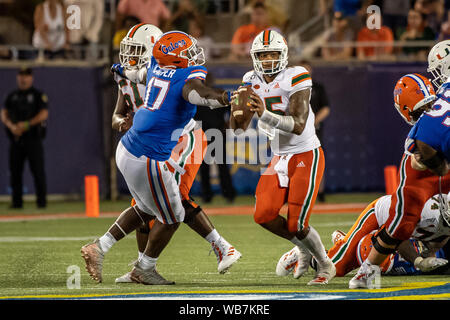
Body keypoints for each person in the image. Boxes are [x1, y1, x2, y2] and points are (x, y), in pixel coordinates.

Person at [81, 30, 237, 285]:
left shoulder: (153, 68)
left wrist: (122, 69)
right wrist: (226, 97)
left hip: (141, 147)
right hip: (151, 153)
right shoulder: (180, 76)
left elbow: (140, 74)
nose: (131, 56)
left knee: (148, 206)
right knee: (172, 212)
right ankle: (148, 267)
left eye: (136, 49)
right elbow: (200, 94)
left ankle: (105, 249)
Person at [231, 29, 336, 285]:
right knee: (263, 214)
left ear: (284, 55)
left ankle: (325, 264)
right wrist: (236, 108)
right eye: (262, 54)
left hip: (305, 153)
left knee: (297, 223)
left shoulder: (297, 75)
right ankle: (300, 248)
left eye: (272, 54)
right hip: (278, 157)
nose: (267, 59)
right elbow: (237, 128)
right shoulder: (249, 79)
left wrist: (264, 114)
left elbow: (298, 124)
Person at [348, 64, 450, 289]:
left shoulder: (442, 95)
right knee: (401, 224)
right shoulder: (424, 130)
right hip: (423, 166)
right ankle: (367, 269)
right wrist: (439, 166)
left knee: (403, 224)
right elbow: (419, 151)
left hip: (433, 157)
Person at [279, 192, 449, 279]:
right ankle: (307, 252)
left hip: (400, 231)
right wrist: (418, 261)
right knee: (335, 268)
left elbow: (437, 240)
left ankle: (344, 242)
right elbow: (394, 236)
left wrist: (429, 254)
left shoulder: (442, 221)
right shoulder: (426, 211)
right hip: (380, 215)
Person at [1, 67, 49, 209]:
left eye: (26, 75)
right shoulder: (12, 96)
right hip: (16, 139)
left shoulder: (38, 95)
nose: (23, 78)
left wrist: (26, 125)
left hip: (33, 139)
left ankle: (41, 202)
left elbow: (44, 114)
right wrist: (11, 126)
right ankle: (17, 202)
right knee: (15, 172)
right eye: (21, 75)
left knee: (38, 171)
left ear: (31, 78)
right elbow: (3, 113)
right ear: (18, 77)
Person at [194, 73, 236, 203]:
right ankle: (215, 195)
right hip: (206, 133)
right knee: (208, 166)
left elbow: (232, 106)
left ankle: (223, 194)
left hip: (214, 132)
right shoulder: (215, 93)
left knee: (218, 165)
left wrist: (229, 121)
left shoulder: (201, 94)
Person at [298, 60, 330, 202]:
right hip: (296, 131)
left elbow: (326, 108)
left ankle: (320, 192)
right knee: (295, 161)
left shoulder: (317, 87)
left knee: (317, 160)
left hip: (314, 131)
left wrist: (313, 121)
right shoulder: (293, 88)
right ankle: (295, 193)